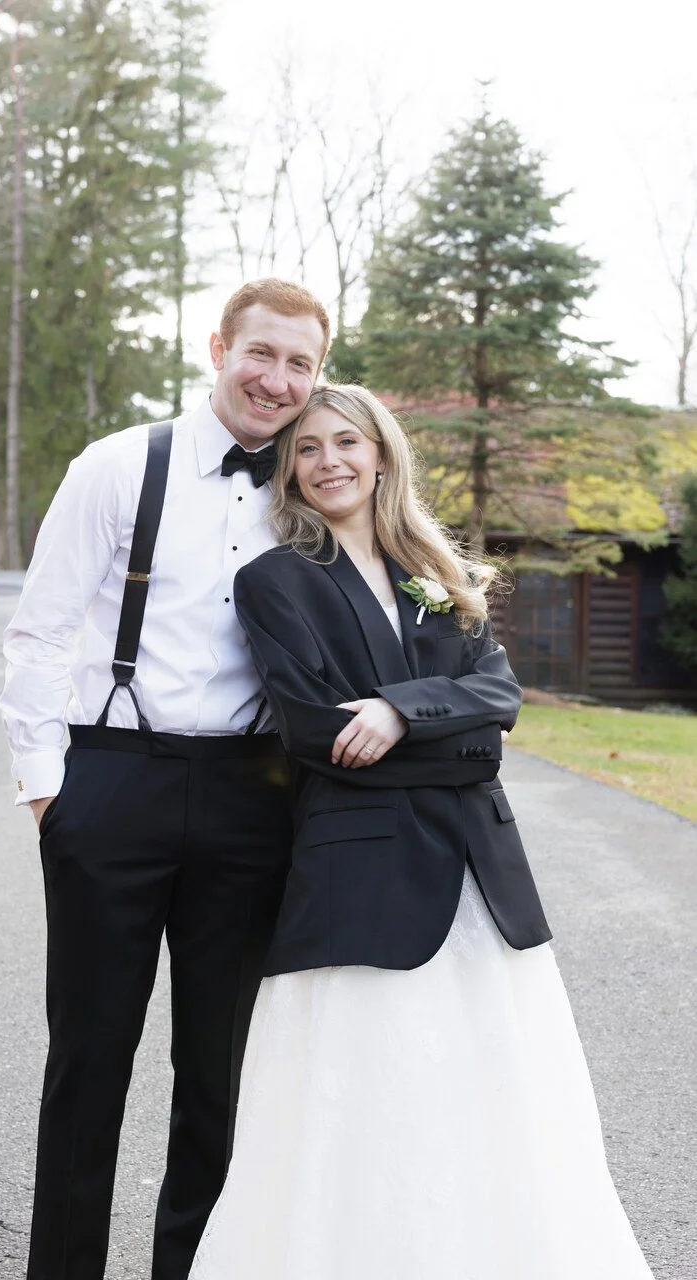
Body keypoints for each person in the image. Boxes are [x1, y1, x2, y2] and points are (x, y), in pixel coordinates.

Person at [188, 383, 655, 1280]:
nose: (330, 462)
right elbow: (316, 734)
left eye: (346, 442)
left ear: (382, 453)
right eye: (309, 449)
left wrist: (401, 713)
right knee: (366, 1111)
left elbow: (502, 699)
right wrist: (453, 734)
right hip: (361, 884)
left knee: (497, 1104)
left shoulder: (441, 573)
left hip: (486, 882)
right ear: (288, 469)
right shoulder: (276, 583)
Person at [0, 279, 330, 1280]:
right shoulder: (118, 465)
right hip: (113, 782)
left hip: (252, 793)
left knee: (217, 1072)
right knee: (89, 1061)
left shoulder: (313, 483)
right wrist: (49, 790)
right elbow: (40, 628)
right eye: (260, 353)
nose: (275, 381)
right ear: (219, 343)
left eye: (299, 364)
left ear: (318, 373)